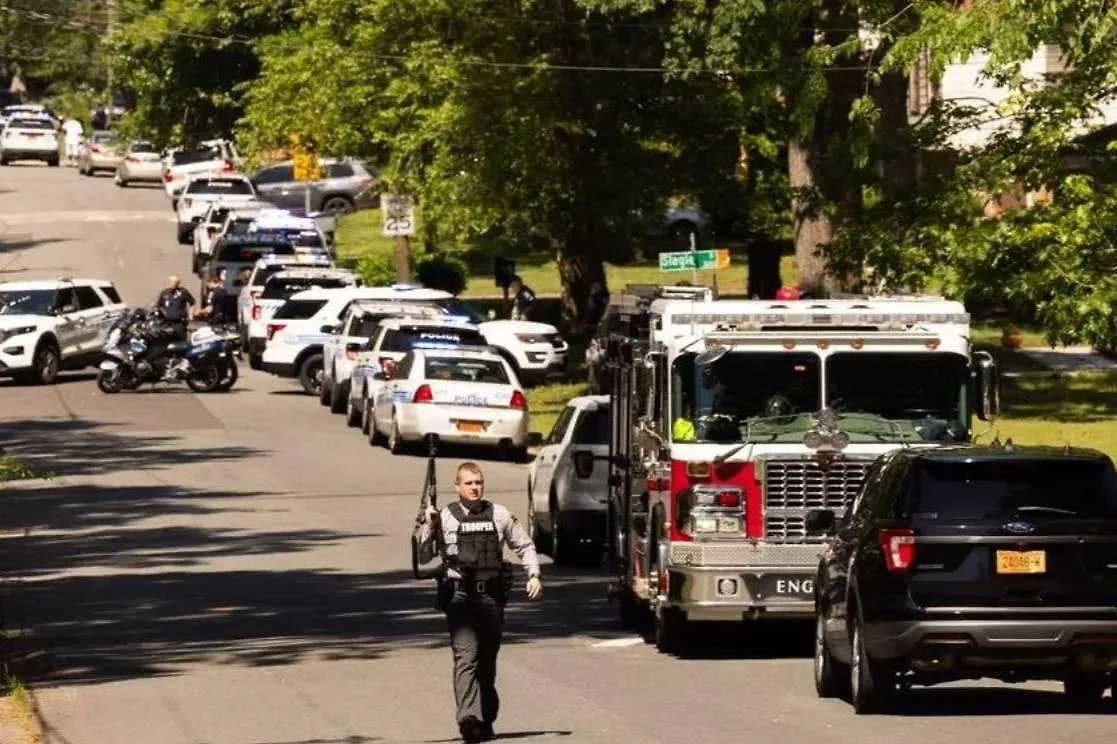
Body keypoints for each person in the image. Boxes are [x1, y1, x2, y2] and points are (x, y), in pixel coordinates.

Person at [417, 462, 543, 743]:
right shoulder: (445, 516)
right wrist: (429, 525)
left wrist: (533, 574)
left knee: (487, 662)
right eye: (469, 483)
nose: (475, 488)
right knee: (466, 657)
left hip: (491, 597)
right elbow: (424, 557)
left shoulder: (498, 515)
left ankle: (485, 718)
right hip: (460, 597)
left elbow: (524, 546)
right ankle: (468, 719)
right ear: (457, 486)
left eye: (478, 482)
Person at [154, 275, 197, 342]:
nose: (173, 283)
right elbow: (159, 305)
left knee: (180, 342)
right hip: (168, 323)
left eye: (175, 282)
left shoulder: (183, 292)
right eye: (171, 282)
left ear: (178, 283)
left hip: (179, 323)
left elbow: (193, 303)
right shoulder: (165, 293)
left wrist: (190, 314)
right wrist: (164, 314)